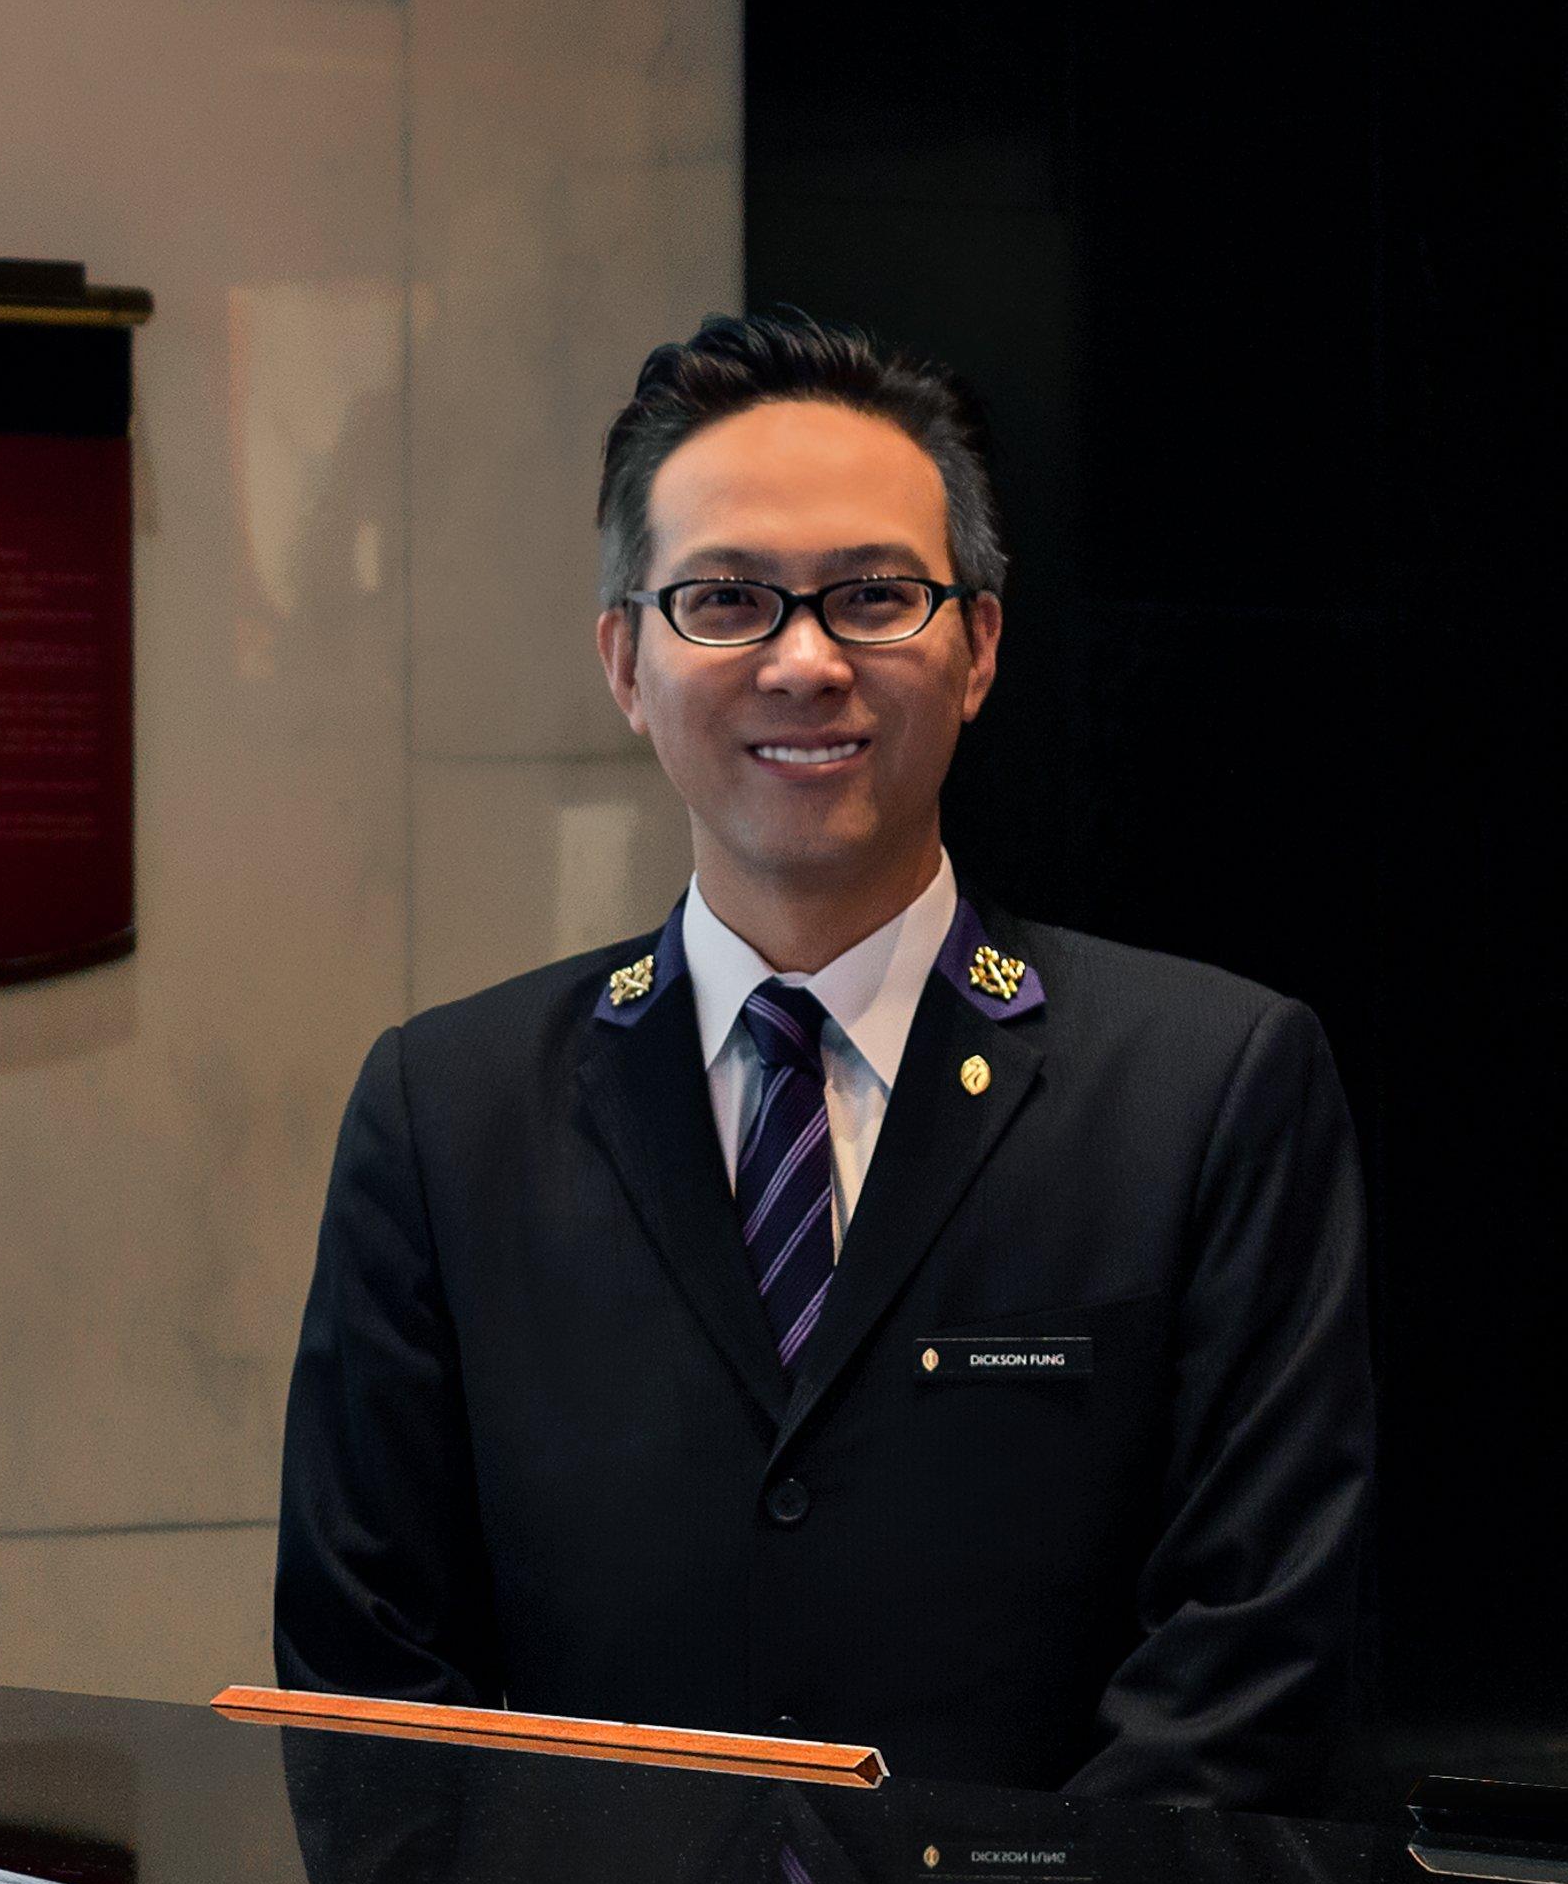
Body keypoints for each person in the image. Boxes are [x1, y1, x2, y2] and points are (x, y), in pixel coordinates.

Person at [270, 315, 1372, 1804]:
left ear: (978, 646)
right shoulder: (449, 1113)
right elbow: (372, 1681)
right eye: (724, 600)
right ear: (624, 660)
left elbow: (1252, 1663)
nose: (804, 662)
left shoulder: (1211, 1086)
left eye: (873, 596)